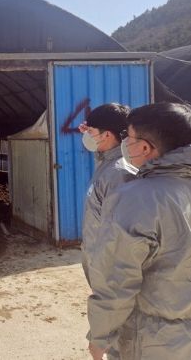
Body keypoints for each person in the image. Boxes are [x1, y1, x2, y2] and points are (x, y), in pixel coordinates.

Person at [87, 102, 191, 360]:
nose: (125, 144)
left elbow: (118, 278)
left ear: (145, 148)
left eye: (130, 138)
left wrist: (100, 335)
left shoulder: (138, 197)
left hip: (152, 337)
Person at [80, 103, 137, 285]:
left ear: (107, 135)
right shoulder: (107, 165)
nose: (87, 136)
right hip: (99, 261)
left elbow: (122, 234)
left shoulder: (119, 173)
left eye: (91, 132)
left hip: (111, 271)